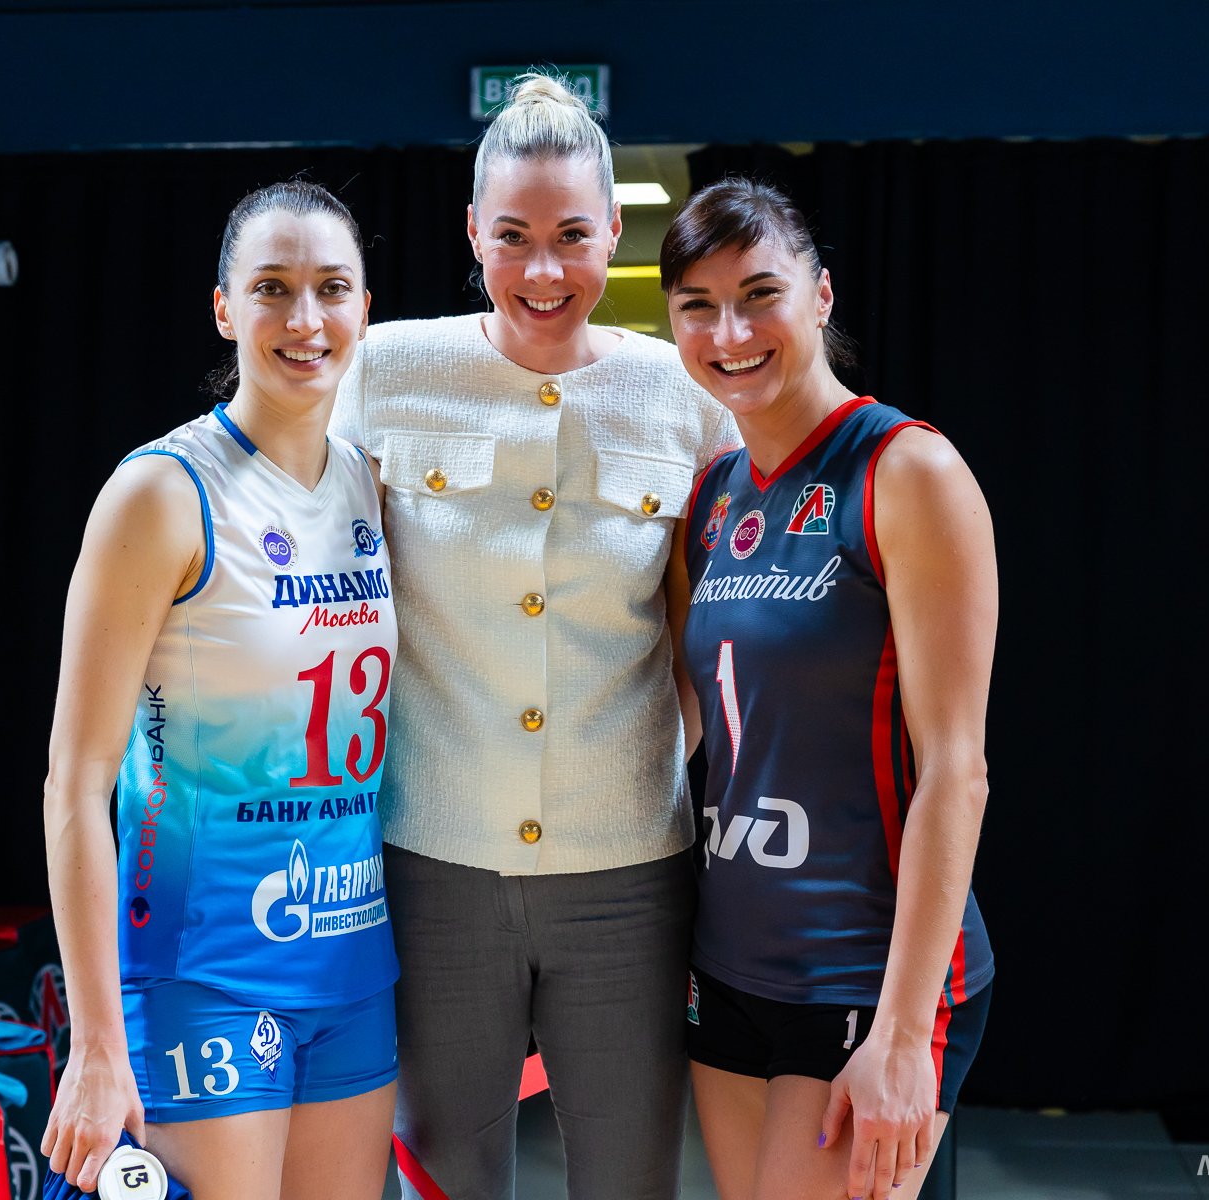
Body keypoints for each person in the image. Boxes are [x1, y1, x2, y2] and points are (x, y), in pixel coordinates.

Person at [328, 74, 740, 1200]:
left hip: (631, 872)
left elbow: (707, 625)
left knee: (630, 1179)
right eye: (512, 236)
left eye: (572, 237)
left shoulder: (683, 396)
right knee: (445, 1178)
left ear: (616, 231)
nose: (543, 272)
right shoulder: (385, 371)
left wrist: (658, 761)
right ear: (473, 233)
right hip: (434, 863)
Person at [40, 181, 399, 1200]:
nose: (305, 318)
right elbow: (75, 785)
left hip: (353, 969)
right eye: (272, 288)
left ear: (365, 308)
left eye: (332, 288)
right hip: (205, 977)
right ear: (224, 309)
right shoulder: (161, 492)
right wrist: (96, 1041)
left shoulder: (374, 484)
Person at [661, 176, 996, 1200]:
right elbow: (688, 727)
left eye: (760, 294)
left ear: (821, 294)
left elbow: (957, 770)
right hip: (728, 970)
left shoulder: (906, 469)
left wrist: (902, 1031)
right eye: (698, 307)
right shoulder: (712, 498)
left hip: (865, 977)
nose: (730, 333)